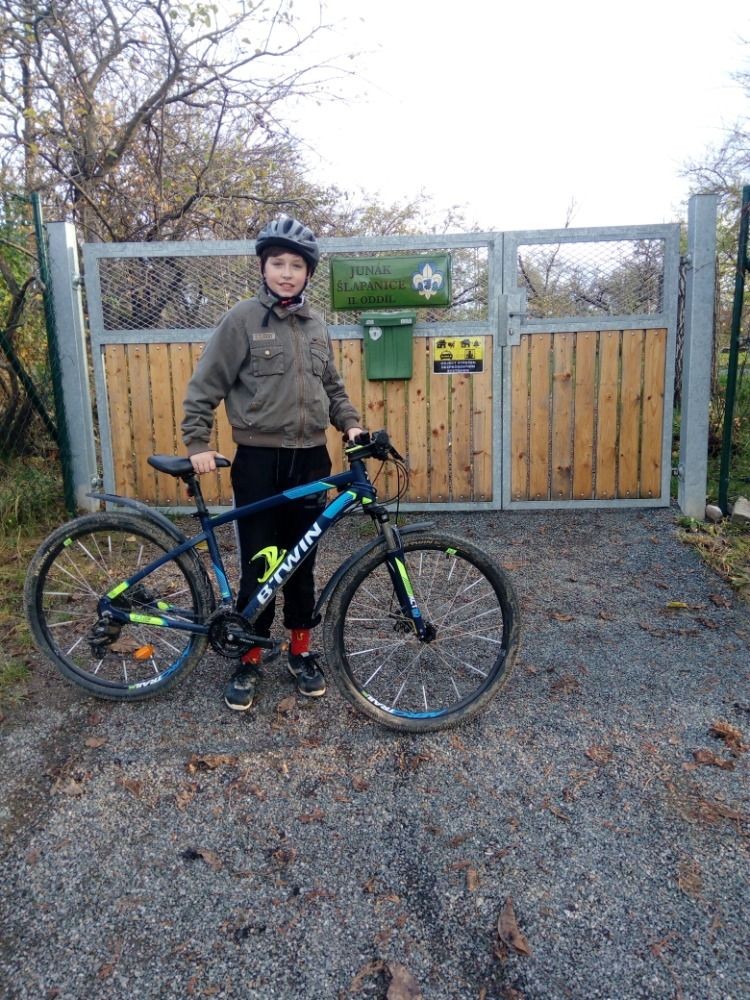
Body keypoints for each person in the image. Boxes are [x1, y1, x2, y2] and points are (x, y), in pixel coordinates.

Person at [181, 216, 363, 711]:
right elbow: (206, 383)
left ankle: (301, 652)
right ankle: (250, 656)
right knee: (261, 561)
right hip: (259, 461)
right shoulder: (242, 319)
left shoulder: (317, 326)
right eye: (277, 263)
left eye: (296, 265)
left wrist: (350, 424)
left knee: (301, 560)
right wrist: (197, 441)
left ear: (308, 273)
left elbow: (332, 387)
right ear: (263, 268)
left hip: (311, 461)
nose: (286, 273)